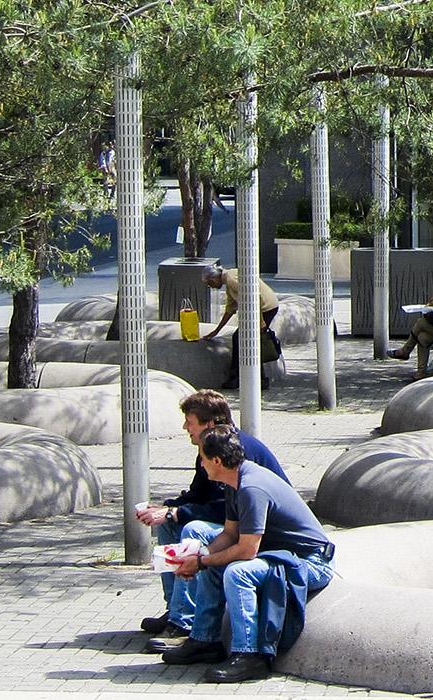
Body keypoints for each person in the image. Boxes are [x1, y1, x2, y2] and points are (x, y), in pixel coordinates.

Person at [158, 425, 335, 683]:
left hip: (310, 561)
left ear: (217, 460)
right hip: (279, 553)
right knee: (210, 559)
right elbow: (230, 535)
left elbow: (246, 550)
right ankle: (205, 639)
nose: (202, 465)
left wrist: (201, 562)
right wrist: (199, 557)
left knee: (238, 572)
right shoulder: (233, 481)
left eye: (203, 459)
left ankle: (250, 656)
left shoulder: (252, 488)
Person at [135, 391, 290, 645]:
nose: (185, 427)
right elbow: (199, 495)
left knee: (192, 530)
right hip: (237, 525)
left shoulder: (234, 452)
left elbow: (225, 509)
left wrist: (180, 517)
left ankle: (185, 620)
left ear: (209, 424)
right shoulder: (210, 448)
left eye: (190, 421)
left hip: (262, 533)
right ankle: (176, 608)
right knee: (170, 525)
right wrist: (167, 509)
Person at [200, 265, 281, 391]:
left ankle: (238, 377)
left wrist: (260, 322)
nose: (210, 287)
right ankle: (259, 379)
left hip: (266, 308)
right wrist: (216, 331)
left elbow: (255, 296)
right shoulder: (228, 282)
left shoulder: (231, 279)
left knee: (242, 339)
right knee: (245, 340)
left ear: (214, 279)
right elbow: (230, 309)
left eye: (209, 284)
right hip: (265, 308)